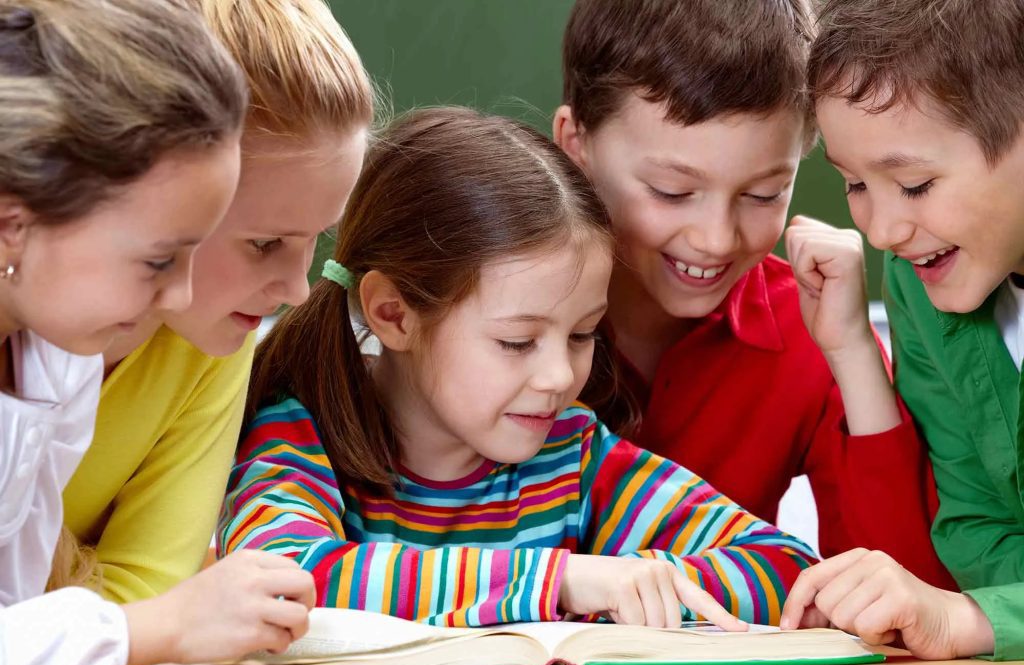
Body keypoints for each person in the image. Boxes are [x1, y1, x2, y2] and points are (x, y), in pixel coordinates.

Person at [219, 106, 816, 629]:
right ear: (395, 314)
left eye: (582, 334)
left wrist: (635, 581)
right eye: (517, 341)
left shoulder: (570, 454)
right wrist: (563, 582)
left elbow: (783, 567)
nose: (559, 377)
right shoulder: (303, 438)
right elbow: (283, 578)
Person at [553, 0, 952, 587]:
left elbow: (908, 597)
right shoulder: (496, 310)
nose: (716, 240)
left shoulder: (808, 327)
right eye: (670, 191)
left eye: (763, 194)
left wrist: (851, 355)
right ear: (576, 144)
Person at [0, 1, 313, 665]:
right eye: (158, 261)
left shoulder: (56, 359)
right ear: (11, 224)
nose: (180, 296)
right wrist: (154, 628)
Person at [59, 0, 373, 603]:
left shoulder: (214, 345)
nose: (297, 289)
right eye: (265, 243)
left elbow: (148, 596)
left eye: (316, 240)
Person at [780, 0, 1024, 661]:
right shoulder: (918, 283)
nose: (881, 230)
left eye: (914, 185)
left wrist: (979, 620)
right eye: (856, 184)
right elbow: (974, 526)